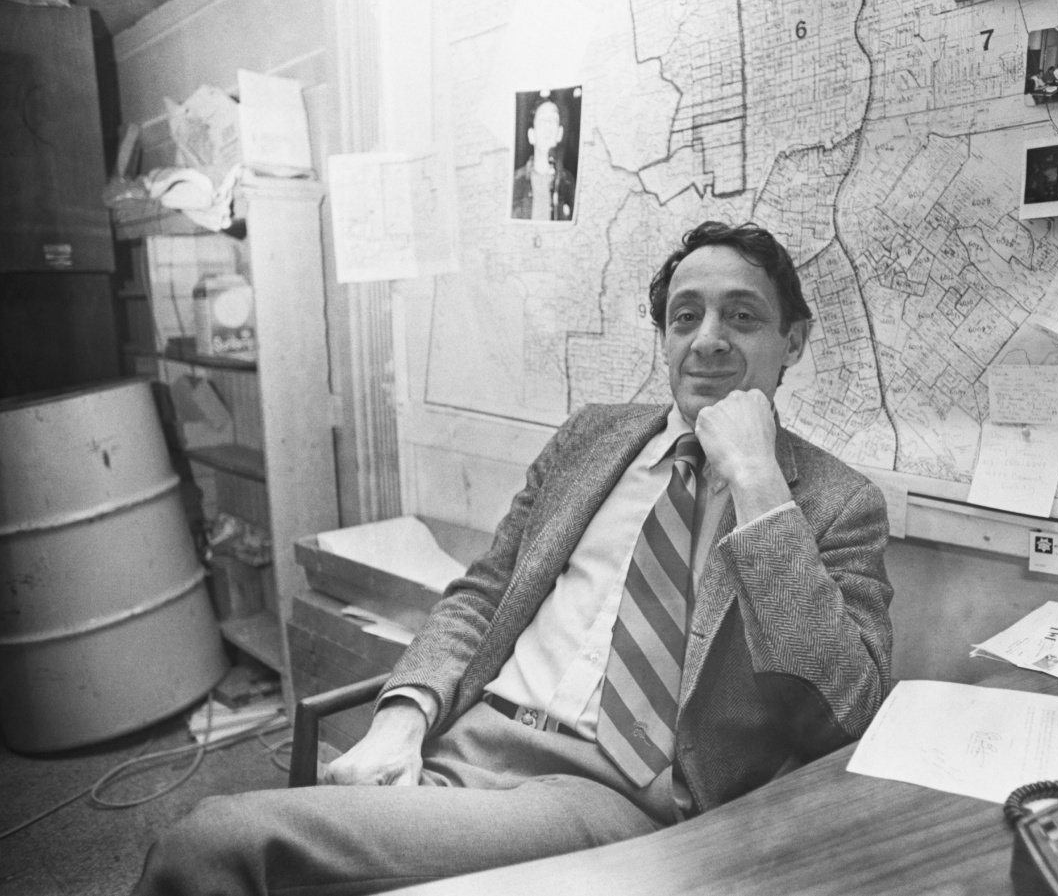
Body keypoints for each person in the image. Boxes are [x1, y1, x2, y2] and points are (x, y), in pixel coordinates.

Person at [132, 221, 894, 896]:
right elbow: (483, 592)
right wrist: (403, 715)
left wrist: (759, 482)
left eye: (743, 315)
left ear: (793, 339)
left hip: (604, 790)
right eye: (684, 316)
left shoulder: (833, 501)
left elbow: (845, 708)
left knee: (213, 843)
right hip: (466, 737)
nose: (708, 338)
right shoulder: (592, 438)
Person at [511, 95, 576, 221]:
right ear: (531, 135)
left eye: (553, 120)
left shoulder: (568, 184)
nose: (548, 126)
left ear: (559, 134)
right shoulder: (515, 183)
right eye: (542, 120)